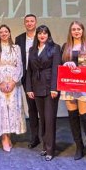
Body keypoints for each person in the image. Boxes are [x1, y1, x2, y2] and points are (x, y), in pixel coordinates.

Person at [61, 21, 86, 163]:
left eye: (78, 29)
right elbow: (60, 65)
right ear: (70, 32)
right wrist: (65, 64)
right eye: (73, 29)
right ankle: (79, 146)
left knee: (85, 117)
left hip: (84, 86)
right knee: (73, 117)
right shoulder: (65, 47)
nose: (76, 31)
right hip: (69, 86)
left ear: (83, 31)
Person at [25, 25, 61, 161]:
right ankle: (45, 147)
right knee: (43, 119)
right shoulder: (32, 49)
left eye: (45, 33)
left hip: (50, 88)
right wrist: (29, 88)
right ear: (37, 35)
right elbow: (29, 70)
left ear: (48, 35)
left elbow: (57, 69)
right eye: (40, 33)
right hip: (36, 87)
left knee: (49, 119)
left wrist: (54, 88)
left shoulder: (55, 48)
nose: (42, 35)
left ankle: (50, 150)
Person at [0, 24, 25, 151]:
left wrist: (14, 81)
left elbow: (19, 65)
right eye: (1, 32)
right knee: (2, 108)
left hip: (13, 82)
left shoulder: (16, 48)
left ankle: (9, 135)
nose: (4, 34)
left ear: (9, 33)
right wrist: (1, 82)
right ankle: (4, 137)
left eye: (6, 31)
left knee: (11, 108)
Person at [15, 14, 41, 149]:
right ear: (24, 23)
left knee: (43, 108)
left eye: (32, 21)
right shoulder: (19, 39)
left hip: (41, 78)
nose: (29, 23)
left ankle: (46, 137)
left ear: (36, 22)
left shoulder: (42, 36)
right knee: (32, 108)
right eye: (27, 21)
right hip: (27, 78)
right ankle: (35, 137)